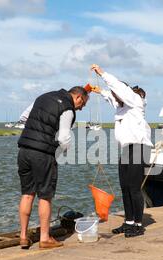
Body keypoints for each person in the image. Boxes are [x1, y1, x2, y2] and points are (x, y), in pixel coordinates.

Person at [17, 86, 89, 249]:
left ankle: (22, 236)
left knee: (27, 194)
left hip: (24, 150)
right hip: (43, 154)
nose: (82, 107)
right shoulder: (67, 108)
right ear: (78, 97)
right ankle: (44, 238)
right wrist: (61, 150)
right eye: (83, 104)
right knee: (45, 196)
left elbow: (23, 117)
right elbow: (64, 138)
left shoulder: (43, 96)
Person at [91, 64, 153, 238]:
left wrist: (102, 73)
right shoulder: (121, 107)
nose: (115, 98)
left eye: (117, 95)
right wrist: (99, 91)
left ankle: (139, 225)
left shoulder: (134, 102)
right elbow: (111, 96)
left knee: (134, 188)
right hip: (127, 149)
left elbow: (117, 88)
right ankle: (129, 222)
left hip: (139, 148)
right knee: (125, 187)